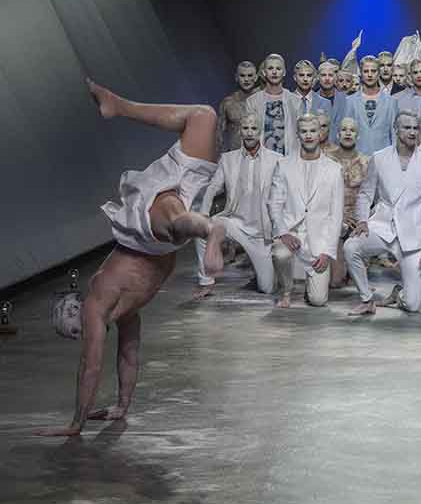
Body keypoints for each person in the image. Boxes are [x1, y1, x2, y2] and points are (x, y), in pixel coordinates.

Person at [37, 80, 227, 436]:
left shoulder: (107, 304)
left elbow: (105, 361)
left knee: (203, 117)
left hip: (149, 241)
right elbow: (110, 358)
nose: (83, 333)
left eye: (74, 328)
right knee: (173, 219)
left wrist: (88, 418)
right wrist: (96, 414)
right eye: (77, 333)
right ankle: (208, 229)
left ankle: (118, 105)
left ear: (74, 307)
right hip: (149, 238)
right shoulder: (105, 306)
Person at [344, 111, 421, 315]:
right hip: (383, 226)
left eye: (416, 128)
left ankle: (399, 294)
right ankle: (367, 299)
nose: (413, 132)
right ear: (396, 130)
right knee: (350, 246)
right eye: (407, 128)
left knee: (413, 305)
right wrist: (362, 220)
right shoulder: (379, 158)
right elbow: (365, 192)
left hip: (413, 234)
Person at [193, 113, 283, 298]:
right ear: (240, 131)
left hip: (261, 233)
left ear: (260, 132)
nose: (249, 133)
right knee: (203, 230)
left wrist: (281, 230)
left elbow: (284, 197)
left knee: (267, 288)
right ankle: (206, 281)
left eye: (254, 128)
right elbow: (213, 188)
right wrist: (203, 213)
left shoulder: (277, 159)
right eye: (246, 128)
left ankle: (265, 273)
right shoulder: (228, 159)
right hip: (234, 223)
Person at [269, 114, 344, 308]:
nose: (309, 135)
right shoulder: (283, 165)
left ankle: (309, 287)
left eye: (313, 131)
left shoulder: (334, 169)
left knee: (318, 301)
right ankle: (285, 290)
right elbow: (274, 203)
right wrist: (284, 232)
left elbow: (336, 215)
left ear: (320, 134)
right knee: (280, 254)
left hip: (318, 240)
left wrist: (328, 251)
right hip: (291, 233)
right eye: (304, 131)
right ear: (298, 135)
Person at [326, 117, 370, 288]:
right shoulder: (327, 160)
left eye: (352, 130)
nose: (348, 133)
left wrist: (362, 219)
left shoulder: (366, 162)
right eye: (344, 129)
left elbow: (369, 196)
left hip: (357, 222)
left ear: (358, 136)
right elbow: (323, 194)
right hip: (333, 219)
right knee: (335, 281)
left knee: (357, 279)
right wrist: (339, 216)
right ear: (338, 134)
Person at [246, 54, 303, 156]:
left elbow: (300, 134)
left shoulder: (295, 101)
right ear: (264, 72)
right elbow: (247, 133)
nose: (274, 72)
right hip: (261, 159)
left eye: (278, 68)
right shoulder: (252, 101)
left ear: (284, 72)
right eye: (270, 68)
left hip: (289, 159)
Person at [340, 55, 398, 155]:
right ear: (361, 74)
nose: (370, 75)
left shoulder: (391, 102)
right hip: (357, 158)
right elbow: (345, 133)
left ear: (379, 73)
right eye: (366, 71)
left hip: (384, 158)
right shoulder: (349, 101)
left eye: (373, 71)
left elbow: (394, 135)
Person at [216, 61, 259, 152]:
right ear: (236, 77)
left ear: (256, 77)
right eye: (242, 76)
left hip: (259, 157)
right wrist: (221, 158)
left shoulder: (263, 101)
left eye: (250, 75)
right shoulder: (228, 103)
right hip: (234, 156)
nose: (246, 79)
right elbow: (218, 136)